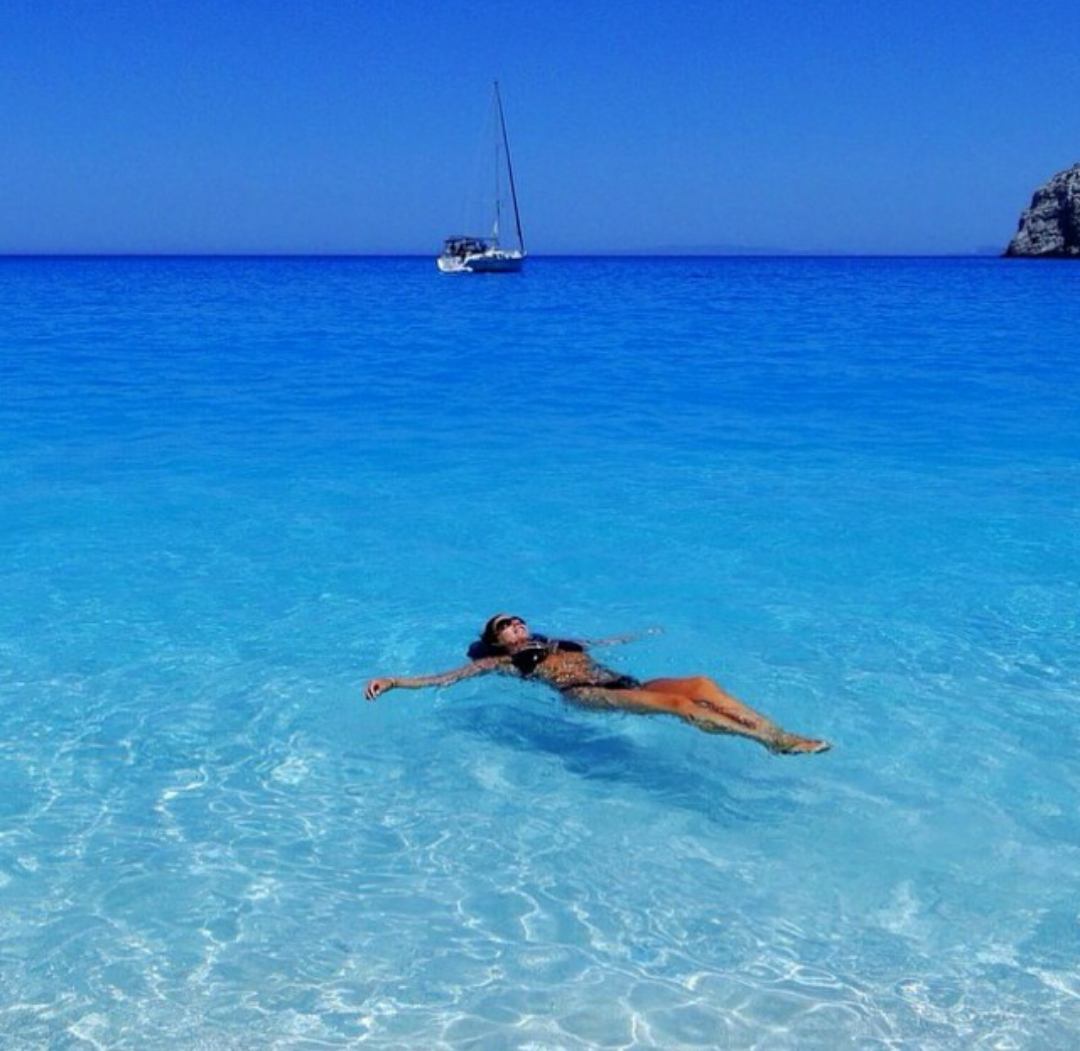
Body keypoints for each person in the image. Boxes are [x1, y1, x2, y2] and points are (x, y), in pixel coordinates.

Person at [364, 613, 829, 755]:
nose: (515, 625)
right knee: (681, 706)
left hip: (622, 680)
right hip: (586, 694)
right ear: (495, 640)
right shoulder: (501, 662)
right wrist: (395, 681)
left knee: (701, 684)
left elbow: (604, 642)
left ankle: (777, 733)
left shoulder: (558, 641)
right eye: (504, 625)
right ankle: (769, 743)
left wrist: (642, 633)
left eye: (517, 620)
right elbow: (445, 678)